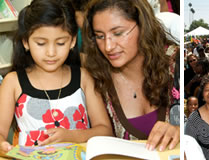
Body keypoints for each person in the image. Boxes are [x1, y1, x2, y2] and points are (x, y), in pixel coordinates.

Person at [0, 0, 112, 151]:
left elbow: (105, 131)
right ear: (26, 42)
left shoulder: (83, 77)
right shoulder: (13, 82)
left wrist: (71, 136)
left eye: (60, 43)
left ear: (72, 41)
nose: (51, 53)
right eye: (41, 43)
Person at [83, 0, 180, 151]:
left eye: (118, 33)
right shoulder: (96, 80)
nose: (108, 46)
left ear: (143, 26)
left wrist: (180, 130)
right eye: (100, 36)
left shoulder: (176, 63)